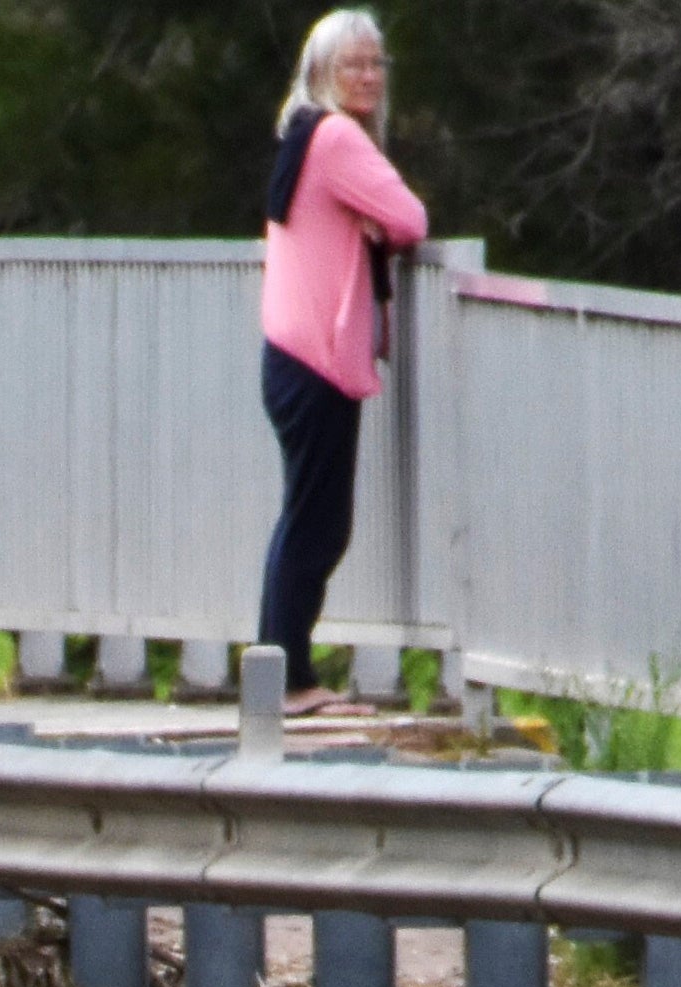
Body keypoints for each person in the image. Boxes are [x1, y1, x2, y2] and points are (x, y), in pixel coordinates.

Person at [254, 9, 427, 707]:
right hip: (316, 359)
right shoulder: (335, 140)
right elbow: (411, 221)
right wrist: (377, 226)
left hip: (293, 357)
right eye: (352, 64)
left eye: (375, 64)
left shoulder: (303, 137)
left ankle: (277, 672)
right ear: (320, 73)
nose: (367, 76)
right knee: (317, 523)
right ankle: (286, 680)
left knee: (308, 515)